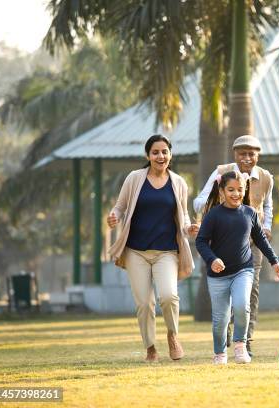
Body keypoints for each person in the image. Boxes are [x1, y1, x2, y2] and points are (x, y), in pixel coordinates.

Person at [107, 134, 195, 362]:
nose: (160, 156)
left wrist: (189, 228)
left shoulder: (178, 183)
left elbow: (183, 215)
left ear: (170, 155)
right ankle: (150, 347)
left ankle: (173, 335)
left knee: (168, 296)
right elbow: (120, 207)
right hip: (136, 251)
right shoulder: (135, 178)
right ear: (148, 155)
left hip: (166, 252)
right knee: (145, 303)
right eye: (155, 152)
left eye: (164, 151)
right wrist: (114, 217)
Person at [193, 135, 273, 356]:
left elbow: (268, 206)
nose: (247, 158)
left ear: (258, 155)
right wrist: (217, 199)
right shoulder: (221, 173)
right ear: (234, 154)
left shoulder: (266, 177)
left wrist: (266, 226)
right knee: (223, 294)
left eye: (251, 153)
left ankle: (245, 341)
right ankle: (225, 333)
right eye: (242, 153)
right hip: (221, 241)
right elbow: (199, 202)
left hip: (251, 242)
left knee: (250, 293)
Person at [195, 171, 279, 365]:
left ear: (245, 190)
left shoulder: (249, 213)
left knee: (242, 305)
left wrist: (274, 261)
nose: (236, 194)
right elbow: (201, 242)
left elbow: (261, 241)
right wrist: (212, 259)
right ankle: (219, 353)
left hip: (243, 270)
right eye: (230, 190)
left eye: (239, 189)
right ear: (221, 191)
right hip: (217, 275)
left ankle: (240, 346)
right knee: (220, 319)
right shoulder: (213, 215)